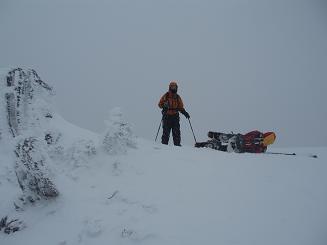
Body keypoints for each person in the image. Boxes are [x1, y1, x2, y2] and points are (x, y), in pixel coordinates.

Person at [158, 81, 190, 146]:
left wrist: (185, 113)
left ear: (176, 88)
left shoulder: (178, 97)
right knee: (166, 133)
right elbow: (159, 104)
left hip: (175, 117)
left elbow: (180, 107)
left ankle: (177, 147)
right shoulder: (166, 96)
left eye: (175, 87)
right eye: (172, 87)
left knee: (176, 133)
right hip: (167, 116)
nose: (173, 88)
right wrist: (164, 106)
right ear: (170, 87)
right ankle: (164, 147)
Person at [195, 130, 276, 153]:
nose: (268, 142)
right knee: (225, 137)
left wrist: (261, 146)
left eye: (270, 142)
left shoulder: (262, 148)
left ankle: (205, 145)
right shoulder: (257, 134)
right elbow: (246, 135)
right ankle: (214, 135)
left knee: (219, 148)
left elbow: (253, 151)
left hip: (237, 149)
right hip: (237, 139)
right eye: (268, 140)